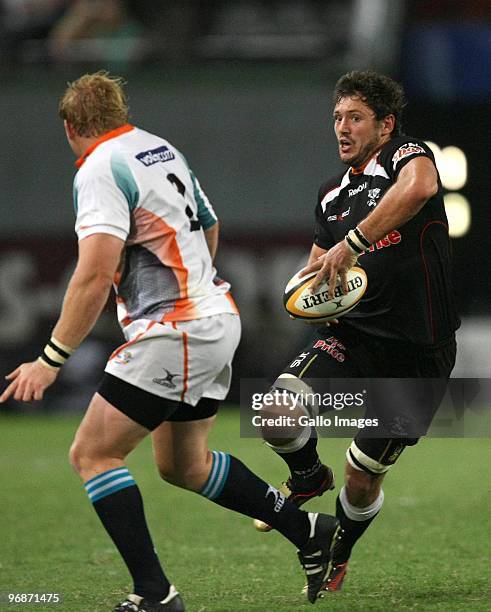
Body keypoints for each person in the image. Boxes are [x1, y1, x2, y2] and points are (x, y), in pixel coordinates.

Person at [0, 71, 341, 610]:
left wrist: (51, 358)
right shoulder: (158, 148)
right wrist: (195, 285)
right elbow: (209, 223)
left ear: (70, 127)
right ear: (118, 111)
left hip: (176, 330)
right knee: (183, 465)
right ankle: (309, 531)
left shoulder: (98, 168)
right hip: (214, 320)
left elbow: (92, 272)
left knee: (93, 454)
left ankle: (155, 595)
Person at [254, 70, 460, 594]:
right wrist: (307, 296)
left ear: (385, 124)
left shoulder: (406, 156)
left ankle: (338, 550)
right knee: (276, 411)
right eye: (337, 119)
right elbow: (317, 270)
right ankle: (306, 477)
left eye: (355, 118)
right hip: (354, 337)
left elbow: (420, 188)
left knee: (363, 476)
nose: (342, 128)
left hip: (418, 353)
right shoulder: (330, 195)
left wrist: (355, 242)